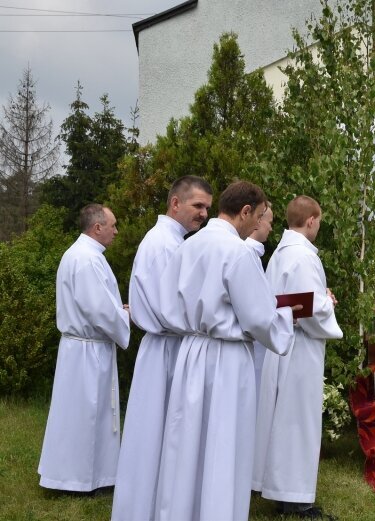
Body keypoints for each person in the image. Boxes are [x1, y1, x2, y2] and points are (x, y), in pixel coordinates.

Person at [153, 181, 297, 521]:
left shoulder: (190, 245)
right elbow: (260, 318)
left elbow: (166, 300)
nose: (260, 223)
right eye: (260, 215)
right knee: (224, 442)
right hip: (226, 359)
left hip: (191, 351)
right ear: (245, 212)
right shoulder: (236, 252)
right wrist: (287, 318)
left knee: (187, 440)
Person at [111, 176, 213, 521]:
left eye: (207, 209)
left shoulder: (173, 242)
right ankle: (145, 508)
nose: (203, 214)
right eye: (198, 206)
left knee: (160, 431)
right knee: (157, 432)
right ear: (175, 203)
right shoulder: (165, 245)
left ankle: (154, 504)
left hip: (168, 346)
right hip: (167, 348)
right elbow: (173, 308)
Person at [255, 195, 343, 519]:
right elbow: (310, 309)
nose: (318, 226)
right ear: (311, 221)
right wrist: (328, 304)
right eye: (318, 221)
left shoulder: (279, 252)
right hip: (299, 346)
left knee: (283, 421)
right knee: (297, 423)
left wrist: (320, 300)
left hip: (282, 344)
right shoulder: (304, 257)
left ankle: (283, 493)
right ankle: (297, 499)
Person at [38, 204, 131, 491]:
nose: (116, 231)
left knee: (79, 413)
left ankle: (77, 475)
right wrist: (124, 315)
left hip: (80, 349)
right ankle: (77, 479)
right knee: (87, 414)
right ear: (97, 227)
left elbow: (97, 304)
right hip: (87, 351)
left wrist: (117, 309)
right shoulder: (87, 259)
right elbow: (99, 310)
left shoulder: (81, 255)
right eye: (113, 225)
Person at [245, 203, 274, 406]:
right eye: (270, 222)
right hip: (247, 345)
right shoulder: (244, 254)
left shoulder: (253, 255)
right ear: (258, 220)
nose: (271, 228)